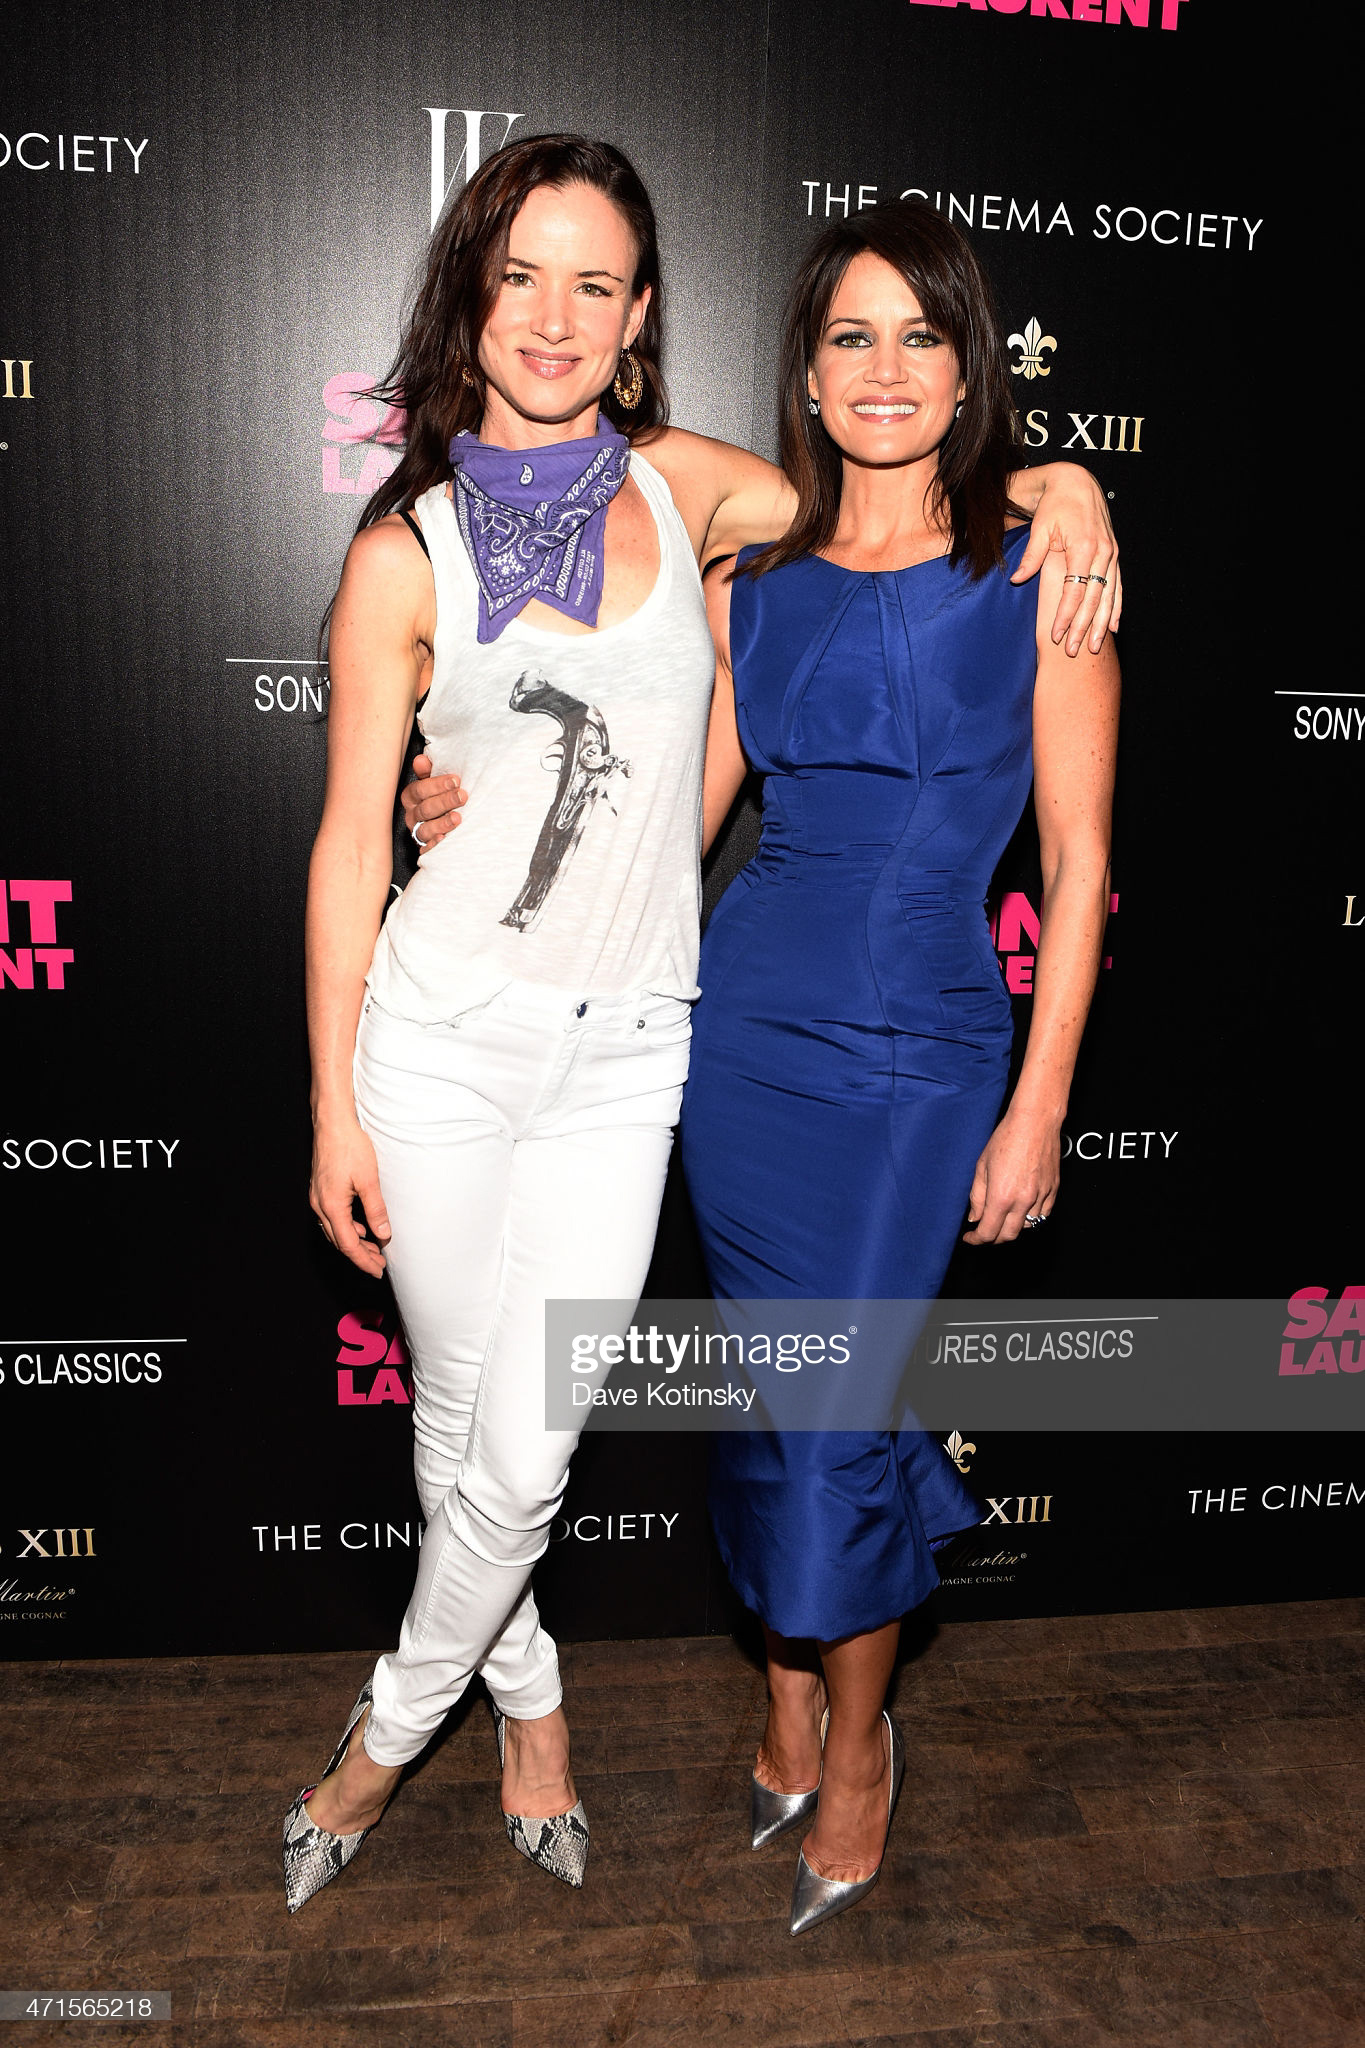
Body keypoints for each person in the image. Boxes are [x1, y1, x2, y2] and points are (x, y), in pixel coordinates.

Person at [292, 131, 1118, 1917]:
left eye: (919, 339)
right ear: (801, 366)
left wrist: (1069, 482)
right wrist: (474, 815)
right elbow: (660, 811)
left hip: (903, 1052)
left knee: (821, 1410)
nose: (880, 371)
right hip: (718, 1036)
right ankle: (703, 1704)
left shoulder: (910, 549)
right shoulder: (733, 571)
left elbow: (1080, 857)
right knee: (733, 1401)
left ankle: (840, 1735)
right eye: (846, 339)